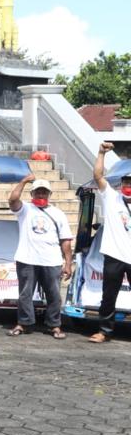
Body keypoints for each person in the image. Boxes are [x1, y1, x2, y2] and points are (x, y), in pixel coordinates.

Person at [6, 173, 73, 339]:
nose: (41, 195)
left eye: (44, 192)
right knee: (25, 295)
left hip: (51, 260)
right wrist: (23, 181)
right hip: (27, 259)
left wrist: (68, 263)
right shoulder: (25, 209)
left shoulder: (58, 214)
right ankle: (24, 323)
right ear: (32, 194)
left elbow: (65, 241)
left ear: (49, 195)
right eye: (37, 192)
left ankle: (54, 325)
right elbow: (13, 200)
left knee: (54, 295)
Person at [88, 142, 131, 343]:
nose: (128, 186)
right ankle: (105, 331)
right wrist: (101, 153)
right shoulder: (112, 198)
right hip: (114, 255)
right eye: (126, 183)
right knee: (108, 296)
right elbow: (98, 176)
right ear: (121, 185)